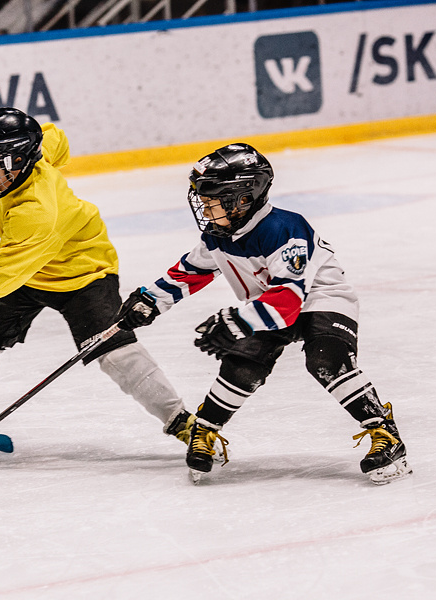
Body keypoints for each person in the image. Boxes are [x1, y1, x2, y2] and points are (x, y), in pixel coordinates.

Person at [0, 107, 195, 464]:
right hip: (30, 272)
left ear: (18, 161)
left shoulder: (37, 212)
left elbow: (4, 269)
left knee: (116, 354)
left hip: (83, 272)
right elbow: (55, 138)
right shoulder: (30, 159)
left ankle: (183, 422)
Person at [115, 142, 411, 484]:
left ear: (242, 199)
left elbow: (288, 300)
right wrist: (149, 300)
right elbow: (191, 271)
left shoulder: (283, 229)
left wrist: (237, 321)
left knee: (326, 358)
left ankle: (385, 434)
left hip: (320, 298)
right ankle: (206, 430)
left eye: (212, 201)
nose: (205, 208)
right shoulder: (219, 235)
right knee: (243, 362)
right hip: (267, 305)